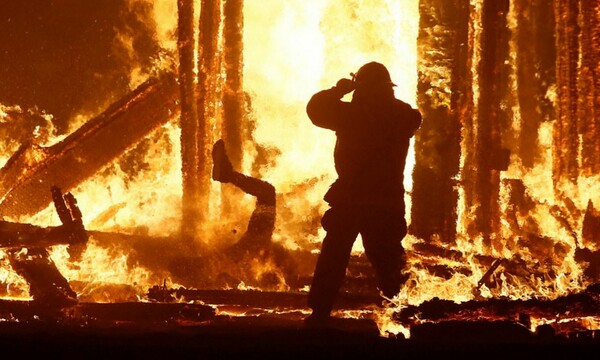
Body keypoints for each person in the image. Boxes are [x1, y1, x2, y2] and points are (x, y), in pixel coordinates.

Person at [304, 61, 422, 326]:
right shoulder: (402, 115)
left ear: (360, 88)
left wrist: (339, 90)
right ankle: (401, 311)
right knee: (388, 259)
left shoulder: (348, 114)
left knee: (334, 258)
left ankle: (320, 314)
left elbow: (315, 110)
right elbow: (415, 118)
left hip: (351, 199)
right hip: (386, 200)